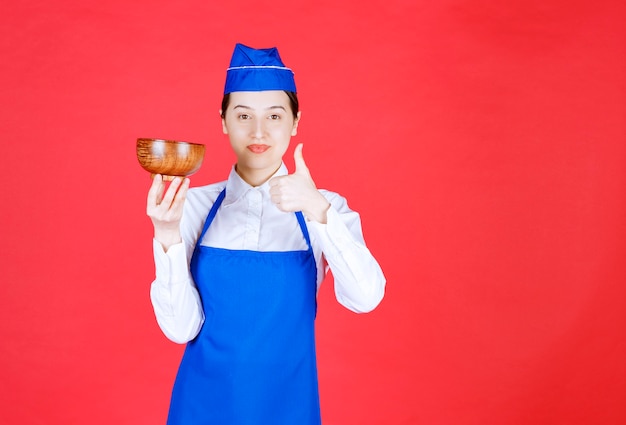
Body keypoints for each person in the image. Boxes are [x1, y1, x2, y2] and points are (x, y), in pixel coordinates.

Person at [147, 43, 386, 425]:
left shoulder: (324, 207)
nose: (258, 132)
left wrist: (317, 209)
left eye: (274, 116)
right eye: (243, 115)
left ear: (295, 121)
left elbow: (366, 297)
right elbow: (180, 329)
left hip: (289, 408)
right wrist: (166, 234)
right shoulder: (193, 206)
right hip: (201, 408)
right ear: (223, 120)